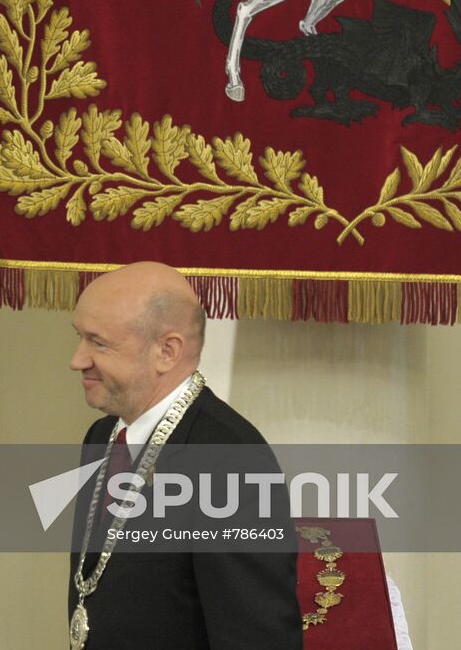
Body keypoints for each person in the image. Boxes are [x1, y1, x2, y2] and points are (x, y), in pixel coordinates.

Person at [66, 262, 300, 649]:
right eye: (79, 338)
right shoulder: (102, 436)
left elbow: (257, 638)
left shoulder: (228, 459)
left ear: (166, 351)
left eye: (99, 343)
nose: (77, 359)